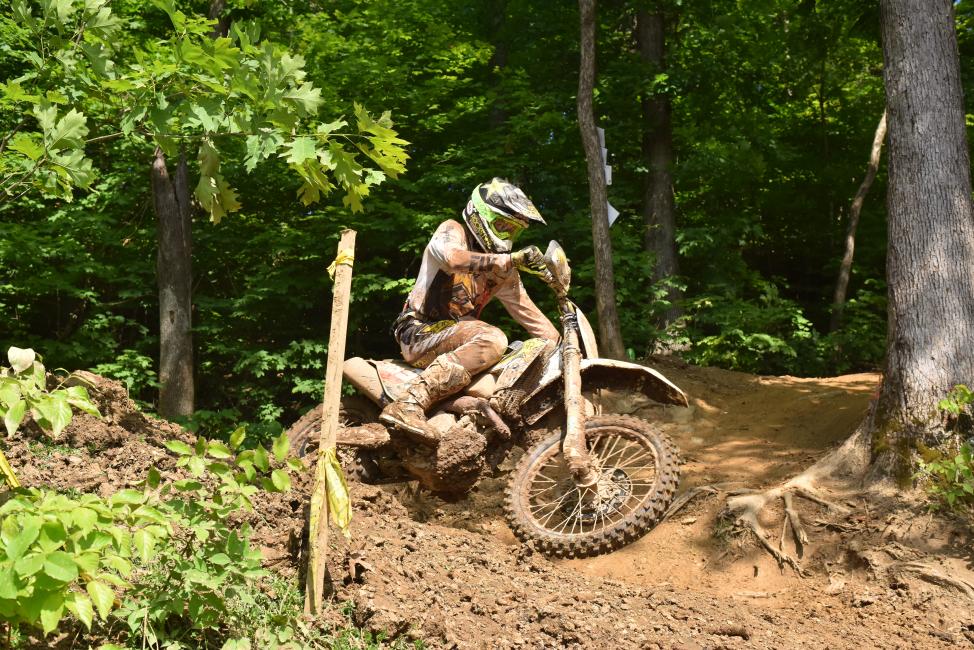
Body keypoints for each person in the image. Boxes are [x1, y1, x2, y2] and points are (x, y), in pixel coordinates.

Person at [380, 178, 560, 446]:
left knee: (524, 355)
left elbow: (532, 317)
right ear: (481, 215)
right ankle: (409, 402)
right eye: (503, 227)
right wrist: (509, 259)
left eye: (514, 232)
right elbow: (453, 258)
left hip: (458, 341)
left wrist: (563, 348)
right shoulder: (453, 231)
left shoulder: (503, 271)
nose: (508, 237)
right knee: (493, 338)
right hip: (418, 330)